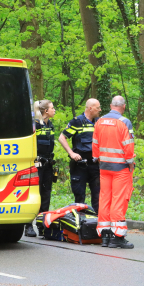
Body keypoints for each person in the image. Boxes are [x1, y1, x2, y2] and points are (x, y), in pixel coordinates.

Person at [92, 96, 135, 248]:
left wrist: (98, 159)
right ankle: (117, 237)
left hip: (104, 167)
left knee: (104, 199)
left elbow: (95, 144)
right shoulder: (124, 122)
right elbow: (128, 146)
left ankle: (105, 236)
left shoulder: (99, 122)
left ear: (111, 106)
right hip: (120, 169)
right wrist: (130, 163)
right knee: (118, 200)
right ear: (123, 107)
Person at [58, 99, 102, 213]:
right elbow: (62, 138)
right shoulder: (77, 122)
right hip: (80, 166)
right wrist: (71, 153)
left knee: (98, 197)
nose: (100, 110)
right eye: (98, 108)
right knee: (79, 197)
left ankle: (97, 225)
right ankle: (81, 225)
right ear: (90, 108)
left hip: (95, 165)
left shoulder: (99, 122)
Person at [25, 100, 56, 238]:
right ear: (45, 111)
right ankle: (28, 225)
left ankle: (42, 225)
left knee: (46, 194)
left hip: (48, 164)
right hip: (37, 164)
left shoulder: (50, 125)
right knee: (34, 193)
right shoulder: (35, 125)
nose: (54, 110)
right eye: (52, 108)